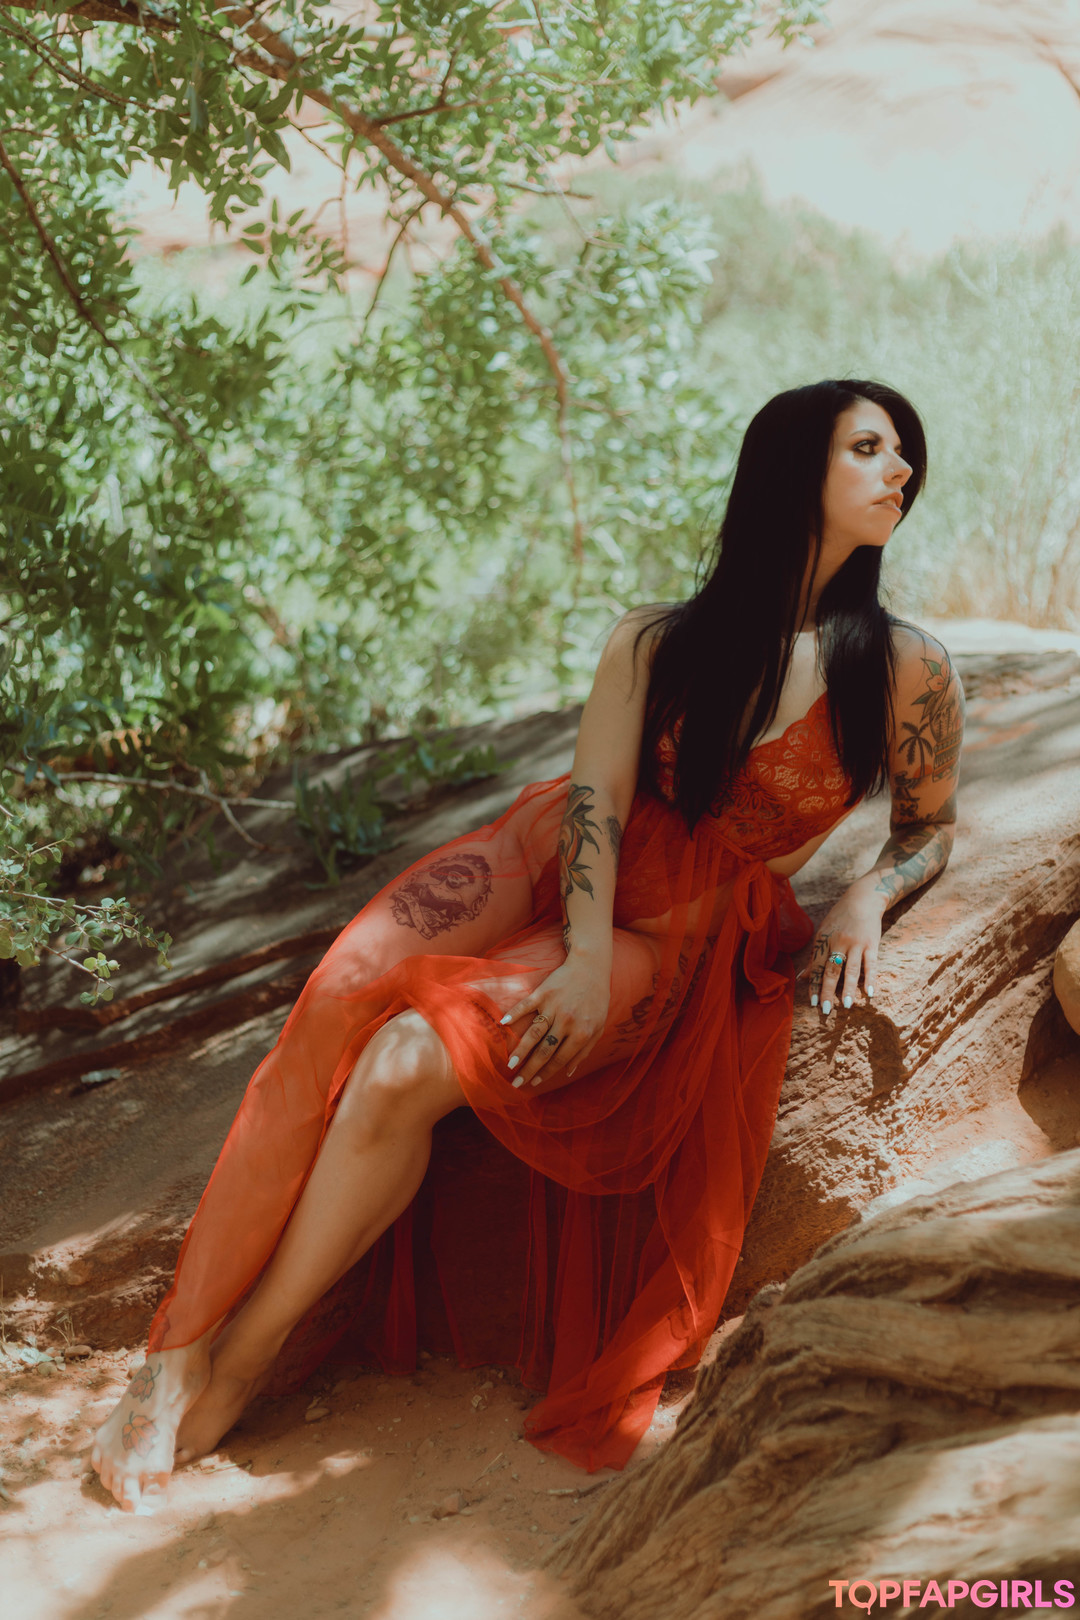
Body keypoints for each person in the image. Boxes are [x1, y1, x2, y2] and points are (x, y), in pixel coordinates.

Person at [92, 378, 963, 1514]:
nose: (901, 470)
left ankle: (238, 1364)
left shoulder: (904, 668)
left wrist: (863, 899)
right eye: (869, 448)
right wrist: (581, 958)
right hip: (561, 867)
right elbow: (596, 798)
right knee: (341, 987)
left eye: (903, 453)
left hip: (680, 933)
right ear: (793, 468)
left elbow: (929, 827)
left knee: (402, 1065)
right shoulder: (656, 640)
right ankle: (175, 1353)